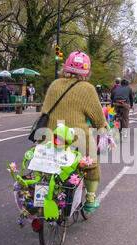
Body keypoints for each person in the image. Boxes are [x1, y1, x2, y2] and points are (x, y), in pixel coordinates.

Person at [41, 49, 108, 213]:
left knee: (45, 165)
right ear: (87, 71)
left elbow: (44, 111)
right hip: (76, 138)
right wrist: (103, 129)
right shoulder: (88, 88)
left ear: (65, 67)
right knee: (90, 164)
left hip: (49, 136)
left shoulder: (55, 84)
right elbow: (98, 119)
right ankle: (90, 199)